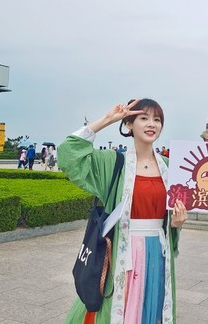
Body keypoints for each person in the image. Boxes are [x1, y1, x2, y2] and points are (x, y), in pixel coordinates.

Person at [58, 98, 187, 324]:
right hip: (121, 248)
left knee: (152, 307)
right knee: (118, 306)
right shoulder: (113, 162)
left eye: (157, 120)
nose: (152, 124)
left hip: (157, 251)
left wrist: (176, 224)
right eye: (144, 118)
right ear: (129, 124)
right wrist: (108, 119)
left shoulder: (169, 167)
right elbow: (68, 153)